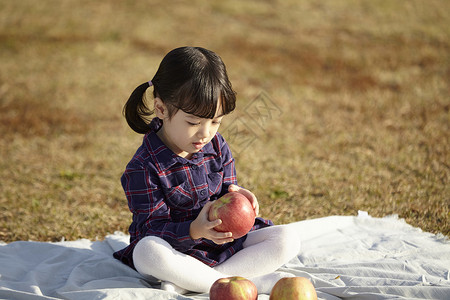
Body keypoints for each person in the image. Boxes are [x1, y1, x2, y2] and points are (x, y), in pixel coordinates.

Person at [113, 46, 301, 294]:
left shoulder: (216, 144)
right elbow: (151, 228)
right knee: (148, 251)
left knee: (287, 238)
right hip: (176, 250)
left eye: (216, 121)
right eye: (193, 122)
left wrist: (239, 195)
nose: (205, 133)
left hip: (221, 244)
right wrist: (194, 230)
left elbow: (226, 191)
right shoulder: (143, 167)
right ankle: (245, 283)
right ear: (161, 109)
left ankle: (200, 282)